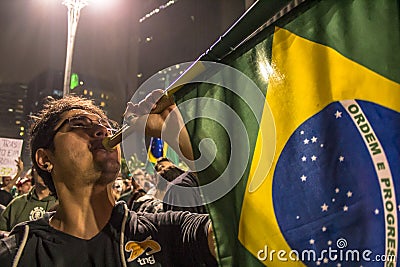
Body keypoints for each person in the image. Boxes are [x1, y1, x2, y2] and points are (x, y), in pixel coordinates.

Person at [0, 92, 216, 267]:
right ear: (45, 159)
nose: (101, 130)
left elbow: (242, 237)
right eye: (79, 124)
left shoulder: (168, 232)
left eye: (105, 125)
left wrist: (181, 138)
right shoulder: (16, 254)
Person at [0, 167, 58, 232]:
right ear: (33, 171)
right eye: (43, 167)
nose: (46, 173)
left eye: (49, 169)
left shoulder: (61, 206)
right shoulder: (17, 203)